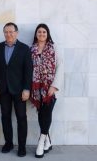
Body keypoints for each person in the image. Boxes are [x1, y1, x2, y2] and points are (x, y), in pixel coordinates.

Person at [0, 22, 33, 157]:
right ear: (4, 33)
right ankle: (8, 143)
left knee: (21, 117)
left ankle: (22, 146)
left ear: (16, 33)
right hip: (3, 89)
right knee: (5, 117)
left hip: (19, 90)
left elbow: (28, 71)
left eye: (11, 32)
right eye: (6, 32)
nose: (9, 34)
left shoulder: (24, 49)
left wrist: (27, 89)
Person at [30, 23, 63, 158]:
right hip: (36, 88)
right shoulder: (31, 49)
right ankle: (48, 141)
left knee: (47, 113)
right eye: (39, 32)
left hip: (50, 88)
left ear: (47, 34)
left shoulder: (54, 48)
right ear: (36, 34)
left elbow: (60, 65)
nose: (42, 34)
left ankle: (41, 140)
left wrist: (54, 86)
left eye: (44, 32)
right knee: (41, 114)